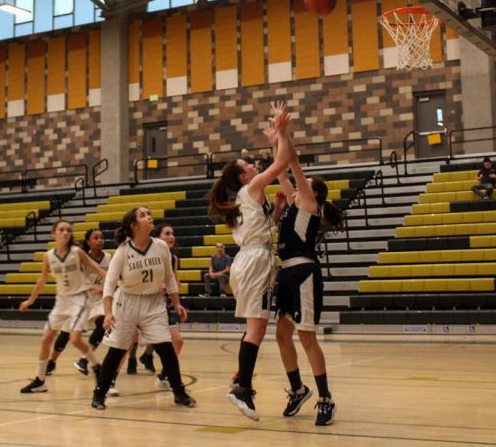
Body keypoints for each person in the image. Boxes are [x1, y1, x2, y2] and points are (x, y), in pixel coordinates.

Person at [209, 101, 294, 421]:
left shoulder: (246, 199)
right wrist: (280, 136)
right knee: (257, 329)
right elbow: (283, 161)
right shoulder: (252, 188)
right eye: (250, 165)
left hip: (250, 261)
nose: (255, 166)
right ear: (244, 176)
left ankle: (239, 378)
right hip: (254, 263)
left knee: (254, 328)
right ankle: (241, 388)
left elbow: (261, 228)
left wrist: (277, 211)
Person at [91, 207, 195, 410]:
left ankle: (179, 392)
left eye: (149, 213)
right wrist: (108, 312)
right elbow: (109, 285)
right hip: (127, 302)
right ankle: (99, 394)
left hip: (153, 302)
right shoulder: (122, 251)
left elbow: (169, 278)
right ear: (134, 225)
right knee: (117, 350)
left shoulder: (161, 247)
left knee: (166, 348)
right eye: (144, 214)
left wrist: (177, 303)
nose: (149, 216)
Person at [270, 134, 341, 426]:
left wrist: (284, 134)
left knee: (306, 337)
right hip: (285, 272)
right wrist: (275, 139)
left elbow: (292, 163)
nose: (299, 185)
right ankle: (298, 390)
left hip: (304, 273)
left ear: (312, 192)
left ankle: (326, 398)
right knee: (281, 335)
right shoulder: (294, 203)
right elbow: (280, 169)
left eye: (303, 183)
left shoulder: (308, 203)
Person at [19, 220, 106, 393]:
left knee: (74, 340)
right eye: (61, 230)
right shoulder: (48, 256)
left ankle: (97, 367)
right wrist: (30, 300)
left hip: (80, 300)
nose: (65, 232)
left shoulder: (77, 252)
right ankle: (40, 380)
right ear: (54, 234)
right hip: (62, 301)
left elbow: (98, 271)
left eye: (68, 230)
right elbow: (42, 280)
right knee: (46, 340)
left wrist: (111, 285)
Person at [150, 222, 185, 390]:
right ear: (157, 238)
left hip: (161, 305)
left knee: (177, 341)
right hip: (141, 303)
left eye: (172, 233)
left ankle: (164, 376)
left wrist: (175, 299)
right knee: (126, 343)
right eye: (167, 233)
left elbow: (173, 278)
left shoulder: (173, 258)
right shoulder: (149, 254)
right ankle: (107, 381)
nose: (171, 236)